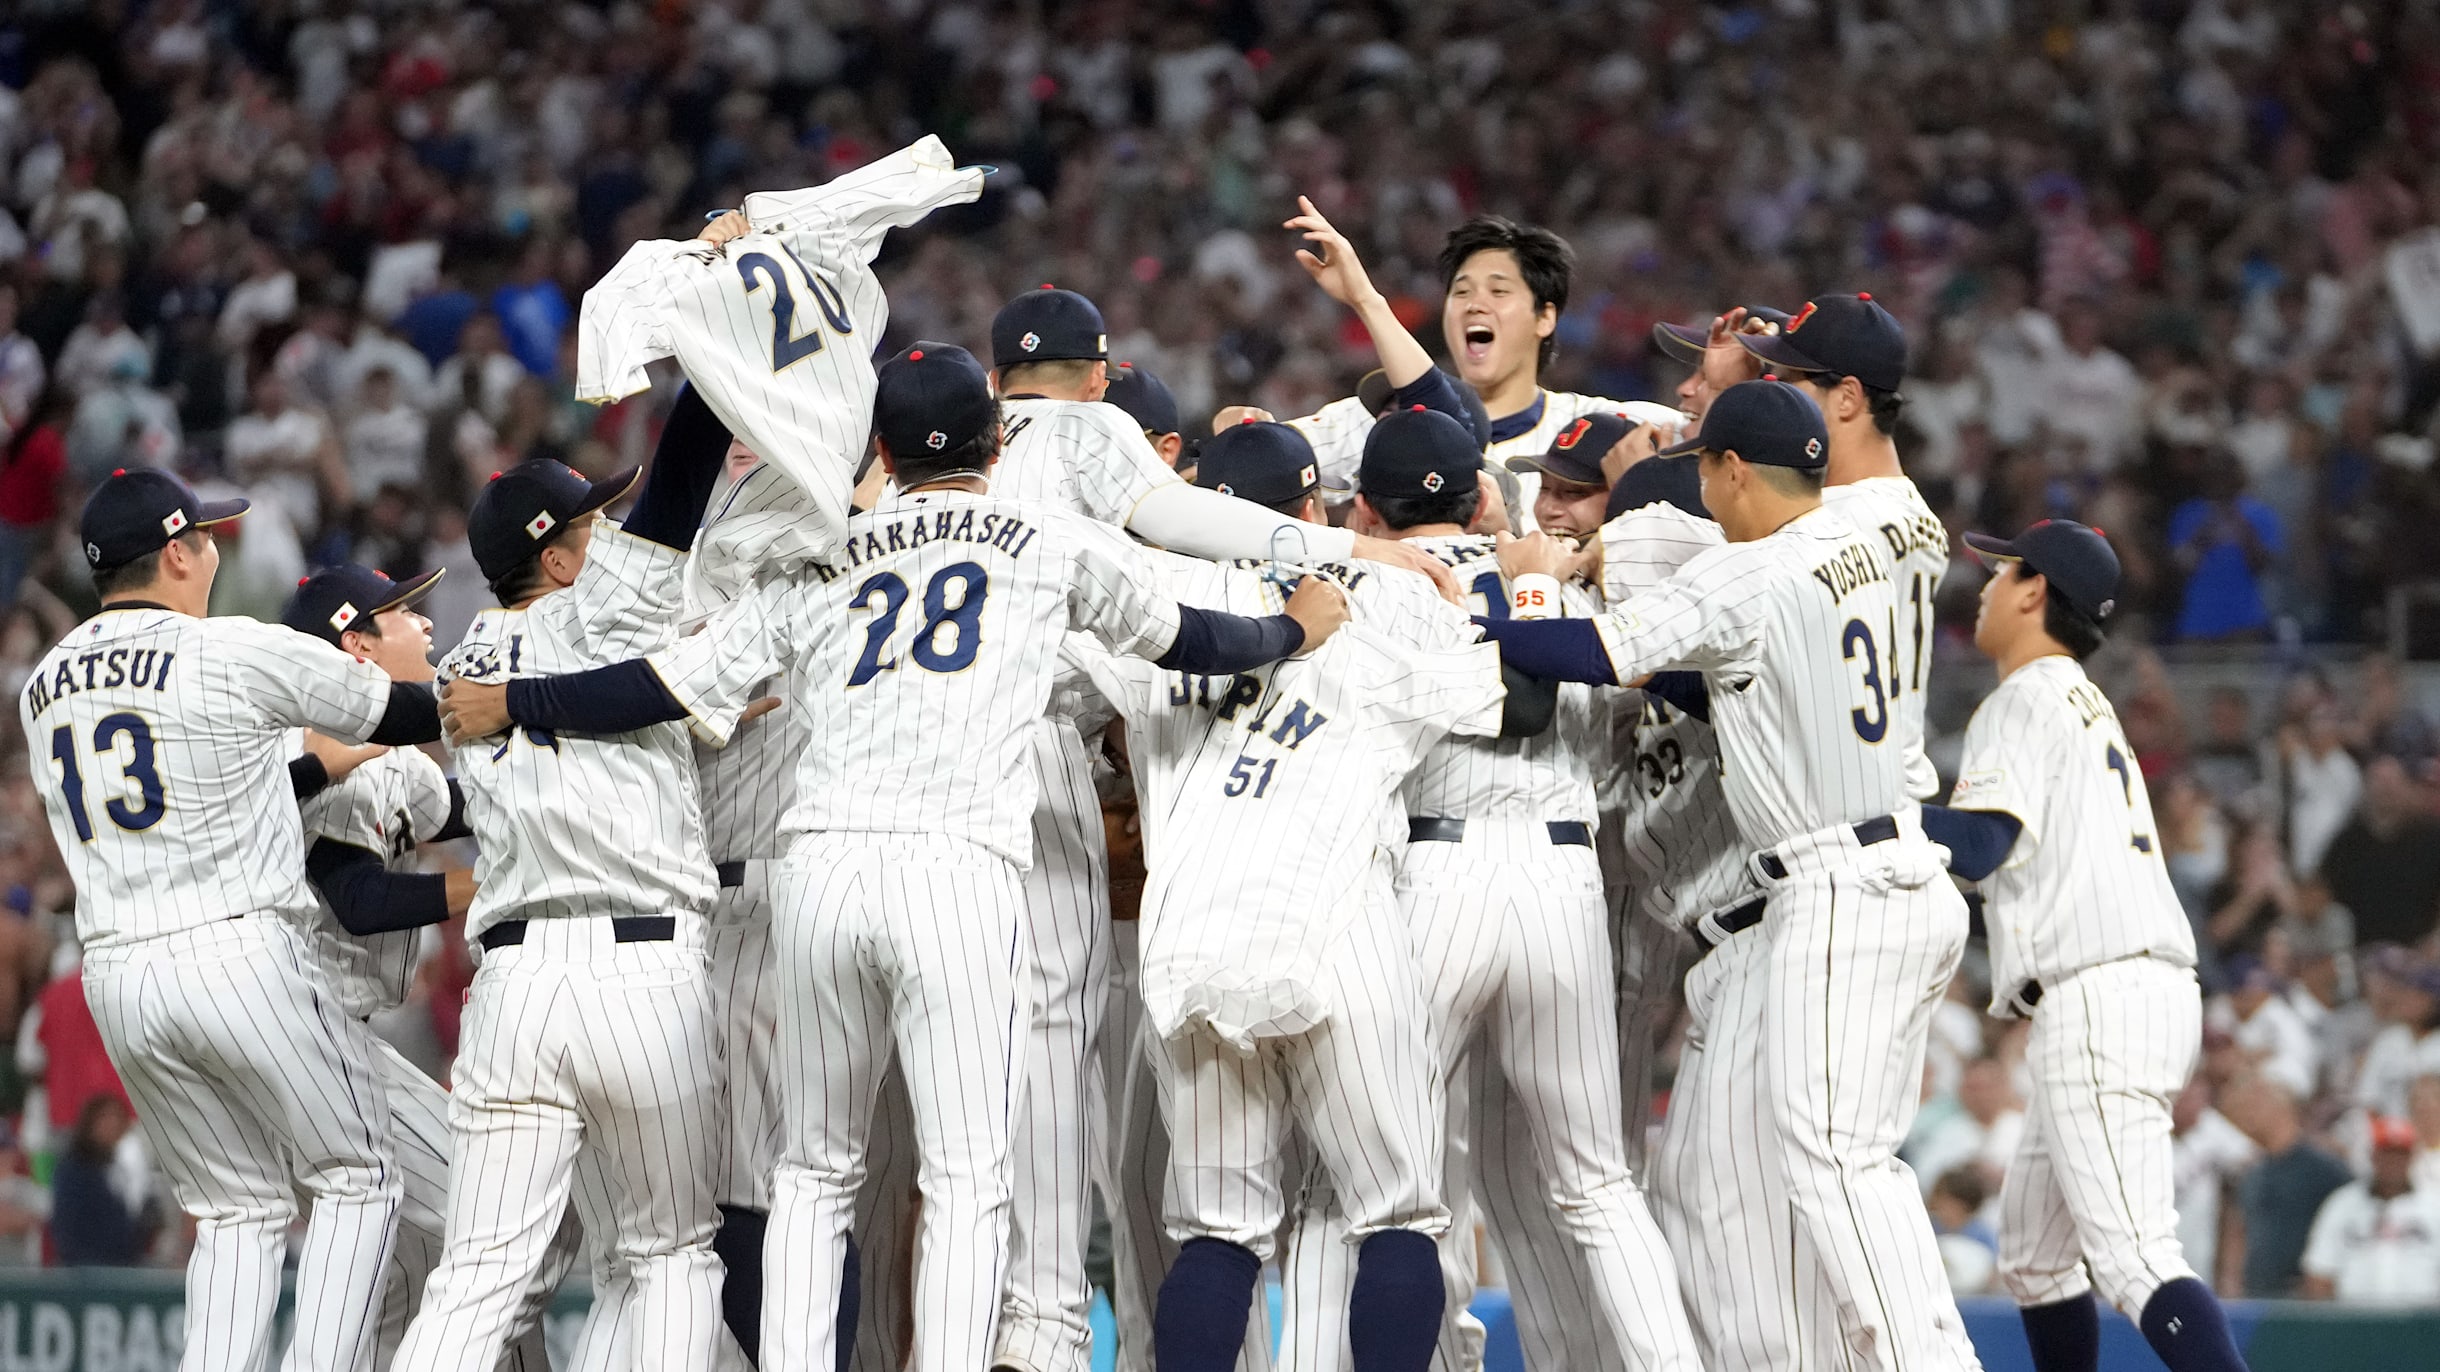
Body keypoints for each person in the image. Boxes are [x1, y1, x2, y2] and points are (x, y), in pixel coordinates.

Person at [447, 342, 1350, 1372]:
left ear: (880, 446)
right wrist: (1288, 625)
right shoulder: (1040, 537)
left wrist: (517, 699)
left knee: (812, 1169)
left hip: (819, 872)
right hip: (955, 871)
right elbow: (1186, 636)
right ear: (997, 440)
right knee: (968, 1173)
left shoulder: (826, 555)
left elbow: (657, 681)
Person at [1482, 379, 1978, 1371]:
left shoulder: (1746, 575)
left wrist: (1522, 583)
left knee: (1834, 1169)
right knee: (1749, 1191)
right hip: (1889, 866)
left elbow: (1577, 649)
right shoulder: (1874, 535)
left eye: (1707, 464)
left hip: (1829, 887)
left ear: (1733, 470)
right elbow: (1710, 666)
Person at [1082, 415, 1528, 1372]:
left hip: (1191, 929)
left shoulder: (1148, 597)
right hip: (1338, 921)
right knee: (1397, 1212)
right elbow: (1509, 701)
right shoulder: (1387, 589)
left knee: (1216, 1232)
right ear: (1312, 509)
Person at [1278, 404, 1698, 1371]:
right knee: (1597, 1186)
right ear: (1480, 491)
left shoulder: (1362, 589)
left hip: (1428, 883)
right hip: (1565, 884)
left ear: (1368, 514)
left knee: (1364, 1187)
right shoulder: (1559, 576)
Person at [21, 467, 446, 1372]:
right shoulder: (227, 648)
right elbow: (400, 706)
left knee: (236, 1211)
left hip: (117, 971)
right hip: (238, 943)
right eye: (209, 537)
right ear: (178, 552)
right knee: (360, 1177)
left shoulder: (42, 685)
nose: (217, 550)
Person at [390, 379, 742, 1372]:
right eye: (596, 523)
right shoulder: (604, 613)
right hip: (638, 968)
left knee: (479, 1270)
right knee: (668, 1252)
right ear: (554, 555)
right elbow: (682, 471)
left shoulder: (463, 665)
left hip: (513, 988)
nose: (617, 534)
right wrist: (716, 336)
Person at [1926, 518, 2247, 1372]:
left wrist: (1872, 816)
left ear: (2036, 592)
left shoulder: (2024, 694)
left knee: (2136, 1257)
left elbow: (1982, 845)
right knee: (2033, 1256)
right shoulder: (2077, 697)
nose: (1985, 587)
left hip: (2101, 996)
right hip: (2127, 990)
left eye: (2001, 573)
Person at [281, 564, 571, 1369]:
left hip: (337, 1038)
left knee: (405, 1283)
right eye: (403, 613)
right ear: (355, 643)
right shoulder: (312, 741)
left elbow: (476, 802)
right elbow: (360, 900)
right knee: (498, 1225)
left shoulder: (390, 759)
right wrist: (503, 879)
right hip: (302, 1036)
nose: (427, 622)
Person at [1286, 214, 1682, 528]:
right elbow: (1261, 453)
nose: (1475, 305)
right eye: (1461, 291)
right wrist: (1243, 422)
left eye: (1498, 291)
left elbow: (1724, 452)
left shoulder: (1601, 428)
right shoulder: (1384, 420)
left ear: (1545, 318)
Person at [2219, 1073, 2353, 1298]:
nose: (2246, 1114)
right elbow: (2239, 1229)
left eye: (2255, 1105)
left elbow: (2354, 1218)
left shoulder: (2324, 1168)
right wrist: (2231, 1281)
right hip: (2256, 1297)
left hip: (2303, 1301)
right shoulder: (2254, 1173)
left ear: (2281, 1107)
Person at [2301, 1116, 2440, 1304]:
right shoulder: (2343, 1203)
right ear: (2373, 1155)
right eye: (2386, 1153)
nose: (2392, 1162)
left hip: (2423, 1323)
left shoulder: (2433, 1205)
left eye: (2399, 1154)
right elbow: (2320, 1272)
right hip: (2356, 1322)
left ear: (2412, 1157)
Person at [47, 1094, 157, 1266]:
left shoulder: (131, 1166)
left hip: (127, 1268)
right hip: (84, 1270)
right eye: (104, 1117)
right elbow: (66, 1227)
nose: (112, 1124)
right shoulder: (74, 1169)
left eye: (117, 1117)